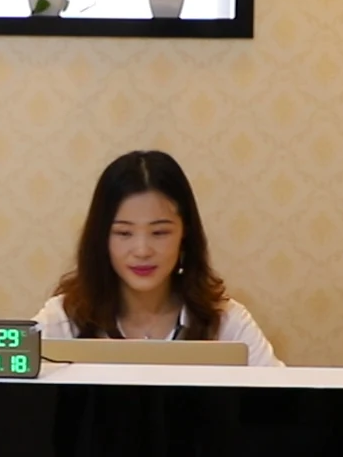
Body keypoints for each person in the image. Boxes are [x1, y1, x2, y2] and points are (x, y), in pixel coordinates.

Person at [34, 150, 281, 366]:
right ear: (101, 238)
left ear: (185, 234)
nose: (142, 250)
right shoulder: (62, 319)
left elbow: (282, 399)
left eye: (160, 232)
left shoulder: (226, 321)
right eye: (124, 233)